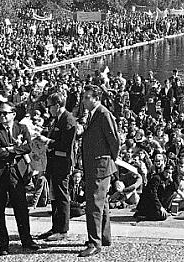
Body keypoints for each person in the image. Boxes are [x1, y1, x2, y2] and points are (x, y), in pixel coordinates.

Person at [0, 102, 41, 256]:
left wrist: (9, 149)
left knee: (21, 207)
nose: (1, 116)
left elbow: (28, 147)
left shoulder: (21, 128)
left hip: (16, 172)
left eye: (4, 113)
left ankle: (26, 240)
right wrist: (16, 150)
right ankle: (3, 244)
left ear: (13, 114)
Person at [79, 86, 120, 258]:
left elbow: (115, 141)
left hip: (100, 166)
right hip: (95, 165)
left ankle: (94, 243)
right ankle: (104, 236)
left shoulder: (103, 114)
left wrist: (109, 159)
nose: (84, 100)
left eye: (88, 97)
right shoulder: (93, 114)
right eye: (84, 97)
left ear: (97, 98)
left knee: (94, 205)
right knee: (102, 203)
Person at [37, 92, 77, 242]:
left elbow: (65, 145)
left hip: (62, 163)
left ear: (57, 105)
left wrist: (47, 141)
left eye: (50, 106)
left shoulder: (68, 120)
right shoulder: (57, 119)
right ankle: (55, 227)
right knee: (54, 196)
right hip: (54, 163)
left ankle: (63, 229)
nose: (48, 109)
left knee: (61, 196)